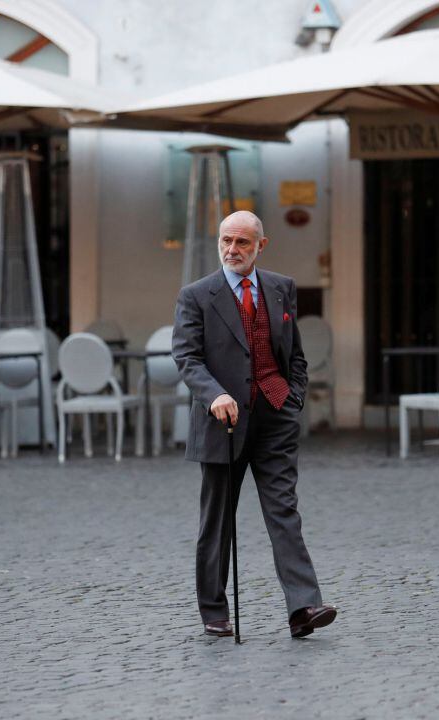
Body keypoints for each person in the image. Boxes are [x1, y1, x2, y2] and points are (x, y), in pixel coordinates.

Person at [172, 210, 337, 639]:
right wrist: (214, 396)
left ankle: (303, 607)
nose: (232, 250)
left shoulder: (281, 288)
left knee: (284, 511)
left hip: (275, 415)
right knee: (218, 520)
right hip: (222, 422)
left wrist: (293, 397)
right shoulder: (196, 295)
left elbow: (293, 354)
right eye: (226, 240)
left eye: (242, 243)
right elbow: (187, 358)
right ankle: (213, 610)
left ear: (260, 246)